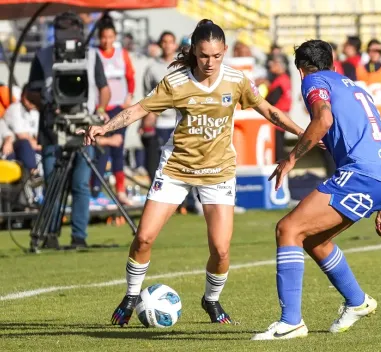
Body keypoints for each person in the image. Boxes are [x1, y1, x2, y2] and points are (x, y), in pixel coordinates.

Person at [78, 19, 304, 326]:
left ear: (224, 51)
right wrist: (104, 127)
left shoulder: (237, 81)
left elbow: (270, 111)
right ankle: (131, 295)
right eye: (203, 56)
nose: (210, 62)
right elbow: (139, 109)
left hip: (218, 172)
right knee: (143, 238)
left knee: (221, 250)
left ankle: (211, 300)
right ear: (194, 52)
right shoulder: (177, 82)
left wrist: (305, 133)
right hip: (175, 169)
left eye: (216, 56)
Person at [252, 40, 381, 340]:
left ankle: (291, 321)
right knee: (316, 240)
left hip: (362, 174)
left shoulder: (314, 81)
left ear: (301, 69)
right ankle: (357, 301)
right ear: (333, 62)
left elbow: (323, 118)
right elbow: (377, 134)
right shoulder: (355, 87)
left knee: (288, 229)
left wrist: (291, 159)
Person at [28, 11, 110, 248]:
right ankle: (50, 235)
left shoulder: (92, 56)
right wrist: (46, 103)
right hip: (53, 128)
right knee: (53, 181)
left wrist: (102, 108)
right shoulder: (42, 56)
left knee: (81, 183)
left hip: (84, 126)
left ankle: (79, 237)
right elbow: (30, 91)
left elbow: (103, 89)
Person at [90, 16, 135, 206]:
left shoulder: (121, 54)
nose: (106, 41)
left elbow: (130, 77)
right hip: (101, 109)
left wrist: (129, 97)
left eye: (110, 36)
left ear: (114, 36)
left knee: (118, 148)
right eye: (103, 37)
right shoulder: (94, 55)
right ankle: (95, 190)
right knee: (101, 149)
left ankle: (120, 190)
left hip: (119, 108)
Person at [142, 31, 178, 178]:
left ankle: (187, 200)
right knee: (158, 163)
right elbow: (147, 94)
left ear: (175, 45)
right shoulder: (152, 68)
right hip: (160, 121)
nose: (167, 45)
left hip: (179, 119)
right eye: (164, 41)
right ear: (160, 44)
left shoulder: (183, 66)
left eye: (170, 42)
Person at [3, 83, 41, 175]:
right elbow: (22, 136)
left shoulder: (35, 113)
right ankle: (33, 172)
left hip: (32, 147)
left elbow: (37, 137)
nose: (30, 102)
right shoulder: (15, 109)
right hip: (15, 147)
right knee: (25, 144)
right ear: (23, 96)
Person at [265, 54, 292, 160]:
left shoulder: (280, 81)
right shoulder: (285, 79)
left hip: (276, 120)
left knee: (277, 149)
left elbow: (271, 100)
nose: (270, 66)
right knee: (280, 147)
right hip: (282, 118)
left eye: (273, 63)